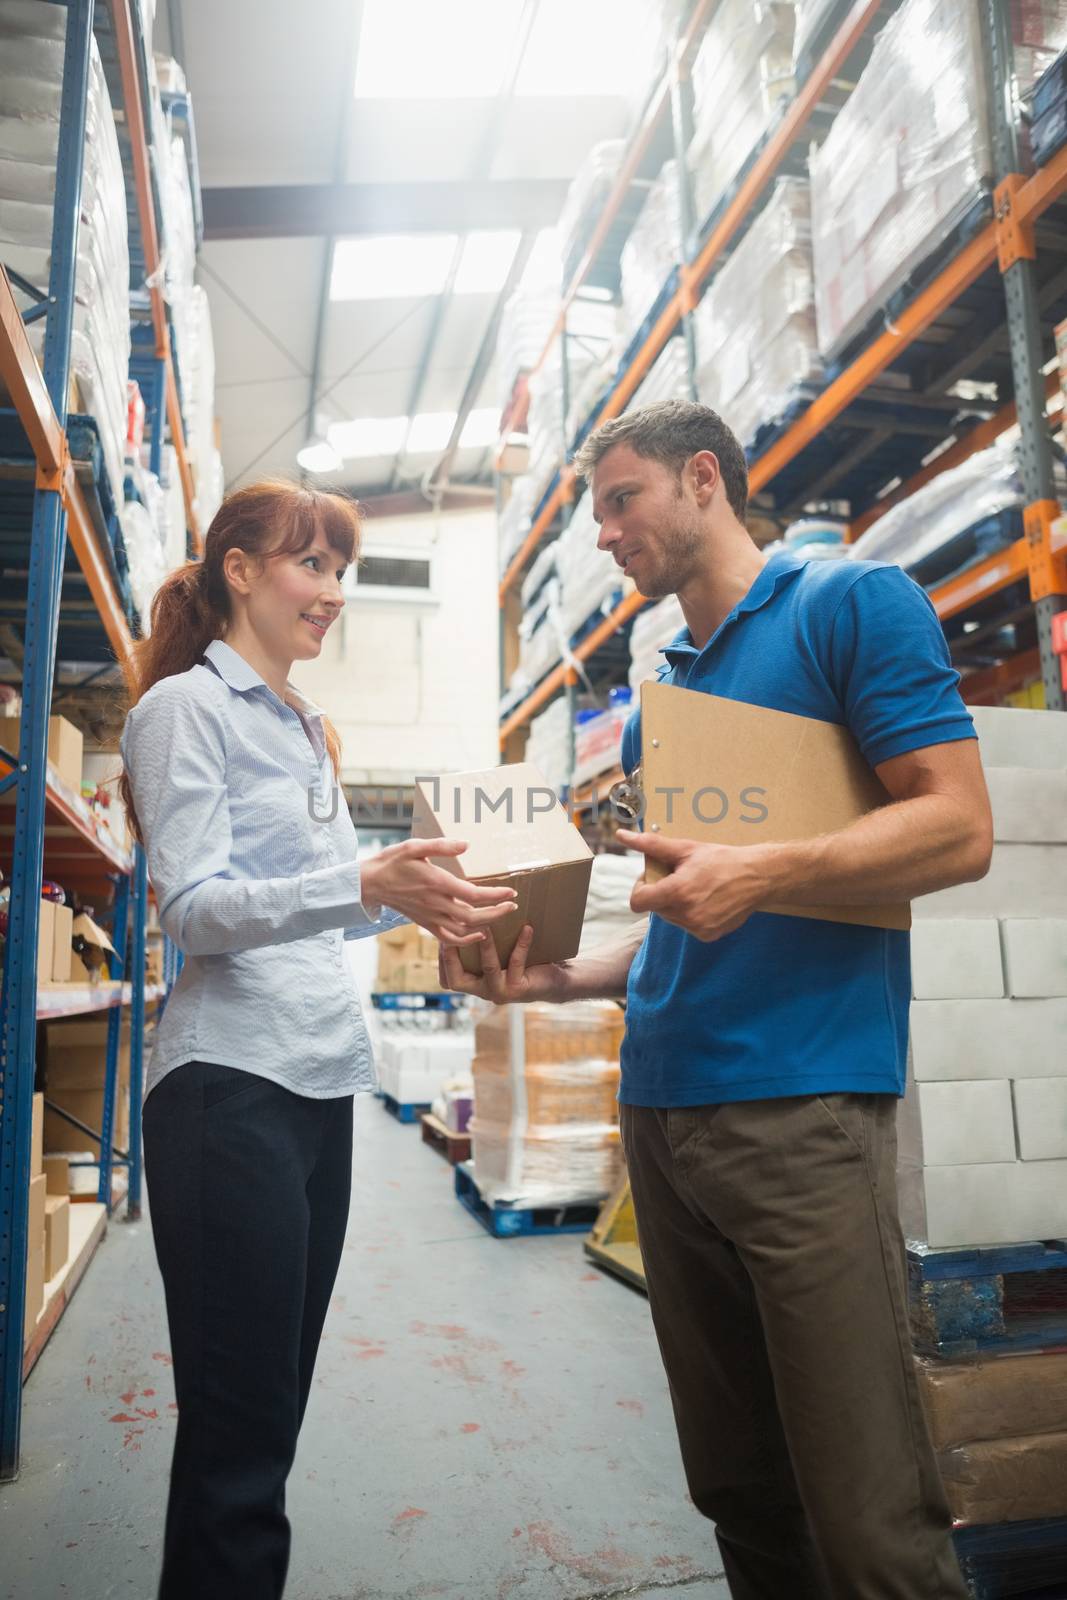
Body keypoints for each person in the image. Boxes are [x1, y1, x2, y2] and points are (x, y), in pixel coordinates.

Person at [441, 400, 991, 1600]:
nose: (602, 534)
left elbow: (957, 825)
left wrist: (770, 870)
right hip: (664, 1119)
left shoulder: (847, 604)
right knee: (737, 1491)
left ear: (703, 479)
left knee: (863, 1513)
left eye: (619, 500)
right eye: (593, 512)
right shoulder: (663, 688)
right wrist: (553, 978)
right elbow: (672, 931)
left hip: (796, 1111)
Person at [119, 480, 517, 1600]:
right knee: (240, 1446)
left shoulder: (304, 727)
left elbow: (326, 900)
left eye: (342, 571)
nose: (333, 592)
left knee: (262, 1425)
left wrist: (423, 891)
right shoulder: (183, 710)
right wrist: (359, 878)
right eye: (313, 566)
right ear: (238, 569)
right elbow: (193, 907)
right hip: (223, 1089)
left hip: (311, 1087)